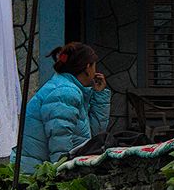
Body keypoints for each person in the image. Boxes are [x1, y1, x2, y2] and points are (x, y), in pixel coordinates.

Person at [21, 42, 110, 172]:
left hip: (40, 169)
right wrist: (63, 175)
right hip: (35, 173)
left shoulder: (72, 90)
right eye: (94, 67)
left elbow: (94, 135)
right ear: (87, 67)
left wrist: (99, 96)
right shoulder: (65, 93)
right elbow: (59, 144)